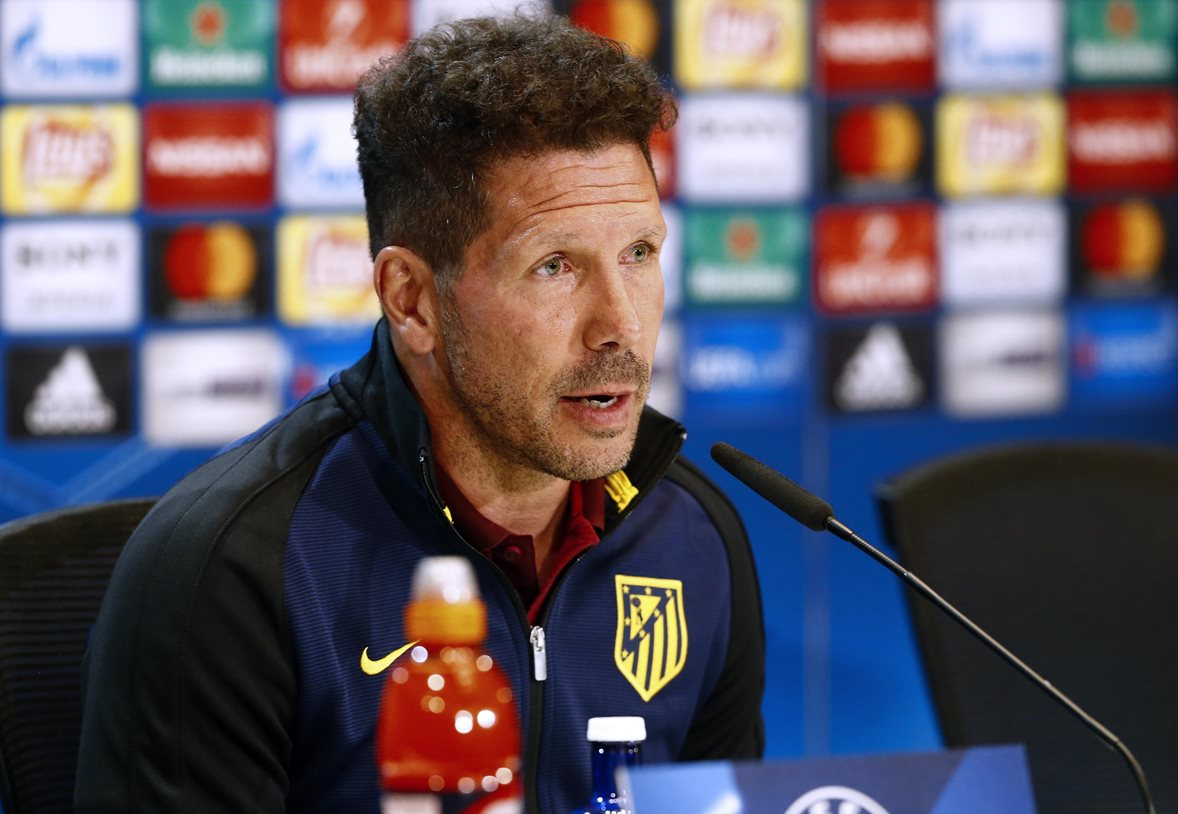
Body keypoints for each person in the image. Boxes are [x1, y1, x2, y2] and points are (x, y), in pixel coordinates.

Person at [75, 12, 764, 814]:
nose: (622, 325)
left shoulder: (694, 535)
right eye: (553, 267)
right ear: (412, 300)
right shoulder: (237, 570)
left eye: (640, 254)